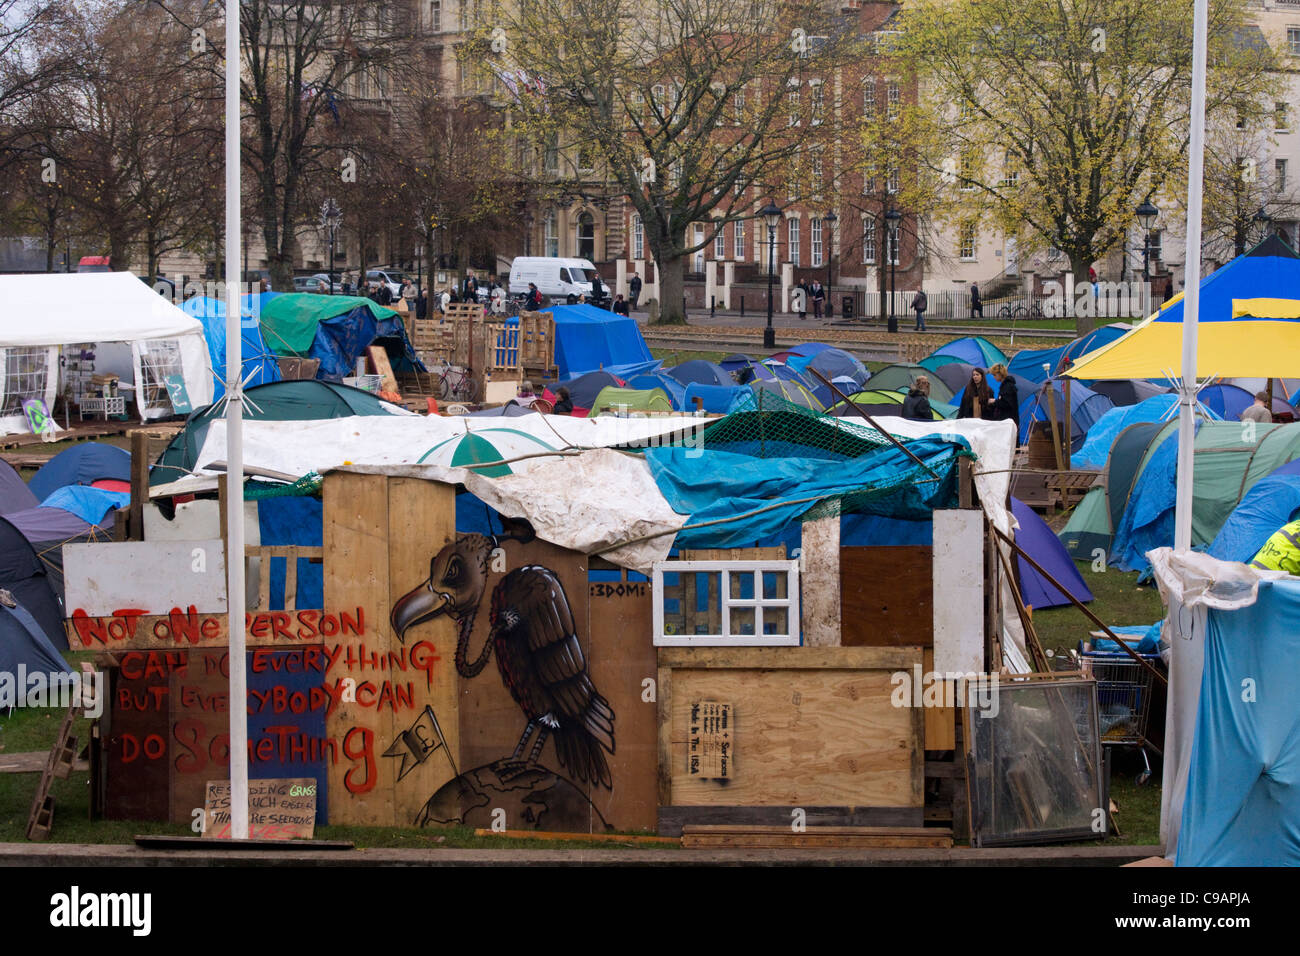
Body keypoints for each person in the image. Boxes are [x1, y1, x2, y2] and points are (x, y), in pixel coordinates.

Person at [988, 363, 1020, 428]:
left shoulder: (1007, 386)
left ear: (1000, 374)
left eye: (994, 375)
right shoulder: (1005, 385)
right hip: (1007, 420)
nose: (993, 377)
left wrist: (994, 401)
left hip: (1008, 421)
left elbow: (1006, 403)